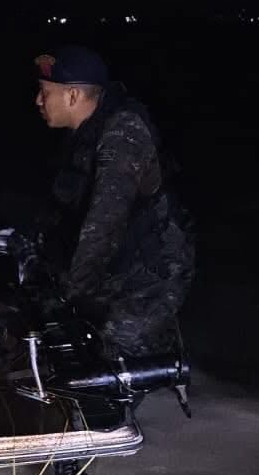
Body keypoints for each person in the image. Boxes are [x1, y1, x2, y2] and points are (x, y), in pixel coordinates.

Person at [32, 45, 194, 361]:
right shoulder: (83, 134)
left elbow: (105, 221)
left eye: (45, 92)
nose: (38, 100)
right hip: (116, 262)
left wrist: (73, 293)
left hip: (151, 274)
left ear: (73, 96)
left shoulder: (122, 135)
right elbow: (62, 209)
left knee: (112, 357)